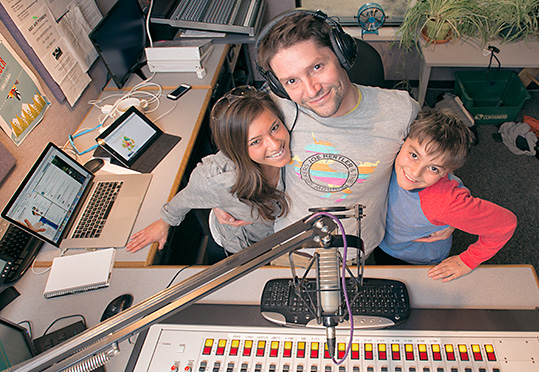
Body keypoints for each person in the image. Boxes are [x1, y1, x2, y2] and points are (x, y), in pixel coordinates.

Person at [216, 10, 454, 261]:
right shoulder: (278, 109)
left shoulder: (401, 111)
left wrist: (449, 205)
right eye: (291, 81)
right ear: (279, 86)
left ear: (341, 53)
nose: (311, 90)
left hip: (358, 249)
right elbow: (233, 149)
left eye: (316, 67)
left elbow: (435, 154)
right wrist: (219, 197)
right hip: (292, 248)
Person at [126, 86, 291, 260]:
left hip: (276, 236)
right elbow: (187, 197)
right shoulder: (219, 179)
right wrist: (164, 221)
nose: (275, 144)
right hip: (240, 246)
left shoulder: (296, 141)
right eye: (255, 142)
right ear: (236, 149)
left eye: (274, 128)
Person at [375, 110, 518, 281]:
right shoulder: (390, 155)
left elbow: (505, 224)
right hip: (385, 239)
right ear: (403, 142)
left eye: (433, 168)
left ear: (446, 172)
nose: (415, 172)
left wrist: (467, 261)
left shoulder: (445, 203)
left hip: (412, 259)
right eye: (414, 155)